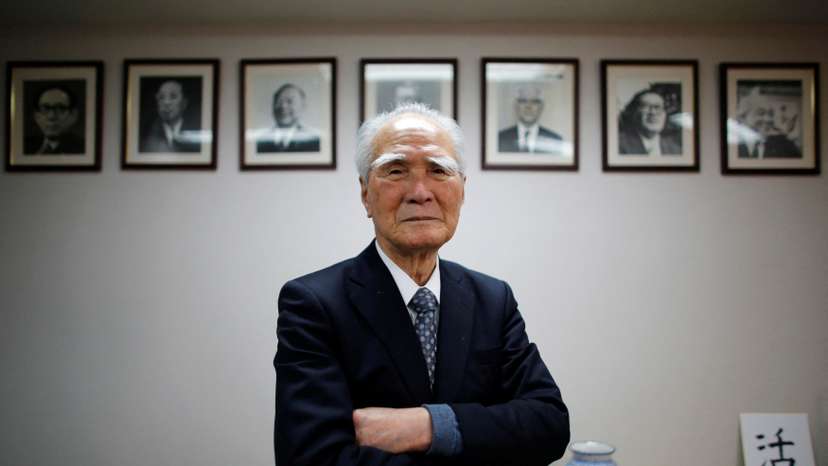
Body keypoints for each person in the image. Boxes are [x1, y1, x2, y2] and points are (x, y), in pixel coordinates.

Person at [274, 103, 570, 466]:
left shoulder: (493, 300)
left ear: (462, 190)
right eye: (395, 170)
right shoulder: (313, 305)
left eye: (438, 170)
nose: (420, 192)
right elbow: (313, 456)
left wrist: (429, 426)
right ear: (365, 193)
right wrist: (484, 437)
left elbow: (548, 424)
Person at [735, 87, 801, 158]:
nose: (768, 119)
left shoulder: (786, 145)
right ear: (743, 117)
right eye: (761, 113)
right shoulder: (733, 144)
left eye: (770, 114)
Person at [498, 84, 564, 154]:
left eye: (535, 102)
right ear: (516, 106)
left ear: (541, 107)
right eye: (523, 101)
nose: (528, 107)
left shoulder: (556, 141)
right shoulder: (499, 139)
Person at [139, 79, 201, 153]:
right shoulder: (146, 133)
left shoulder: (196, 132)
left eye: (173, 96)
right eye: (161, 97)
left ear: (184, 103)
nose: (166, 102)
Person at [257, 83, 320, 153]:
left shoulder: (314, 141)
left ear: (303, 107)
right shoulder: (259, 141)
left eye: (290, 101)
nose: (283, 106)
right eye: (279, 101)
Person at [618, 87, 681, 156]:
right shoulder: (618, 144)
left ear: (665, 114)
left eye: (658, 107)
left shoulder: (676, 150)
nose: (653, 112)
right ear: (634, 112)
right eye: (645, 107)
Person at [24, 85, 84, 155]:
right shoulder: (25, 146)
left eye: (60, 108)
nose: (51, 116)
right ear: (36, 116)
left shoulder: (83, 149)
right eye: (45, 108)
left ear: (73, 115)